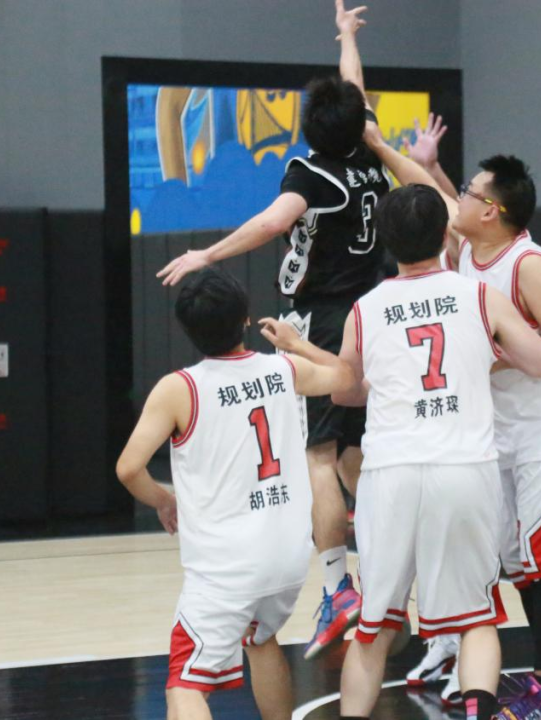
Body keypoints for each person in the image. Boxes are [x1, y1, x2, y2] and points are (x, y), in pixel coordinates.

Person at [265, 183, 541, 720]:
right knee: (475, 621)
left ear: (384, 239)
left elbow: (346, 392)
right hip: (463, 470)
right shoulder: (479, 296)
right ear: (445, 234)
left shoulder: (365, 308)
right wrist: (487, 353)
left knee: (374, 629)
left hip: (390, 474)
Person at [156, 0, 381, 660]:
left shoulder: (313, 174)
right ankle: (391, 550)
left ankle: (337, 587)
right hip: (370, 312)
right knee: (352, 452)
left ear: (310, 128)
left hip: (325, 317)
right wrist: (346, 39)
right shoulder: (368, 149)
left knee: (317, 455)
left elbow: (272, 222)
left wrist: (207, 253)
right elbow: (355, 91)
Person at [365, 122, 541, 719]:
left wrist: (485, 352)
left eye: (468, 191)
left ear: (492, 210)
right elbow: (422, 187)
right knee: (512, 556)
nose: (456, 197)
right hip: (502, 418)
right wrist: (380, 147)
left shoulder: (528, 264)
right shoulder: (471, 245)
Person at [115, 267, 355, 720]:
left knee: (185, 685)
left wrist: (164, 500)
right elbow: (344, 378)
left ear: (188, 329)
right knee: (260, 639)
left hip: (227, 566)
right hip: (286, 557)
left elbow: (128, 468)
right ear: (245, 319)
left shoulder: (179, 388)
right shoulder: (283, 368)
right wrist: (296, 343)